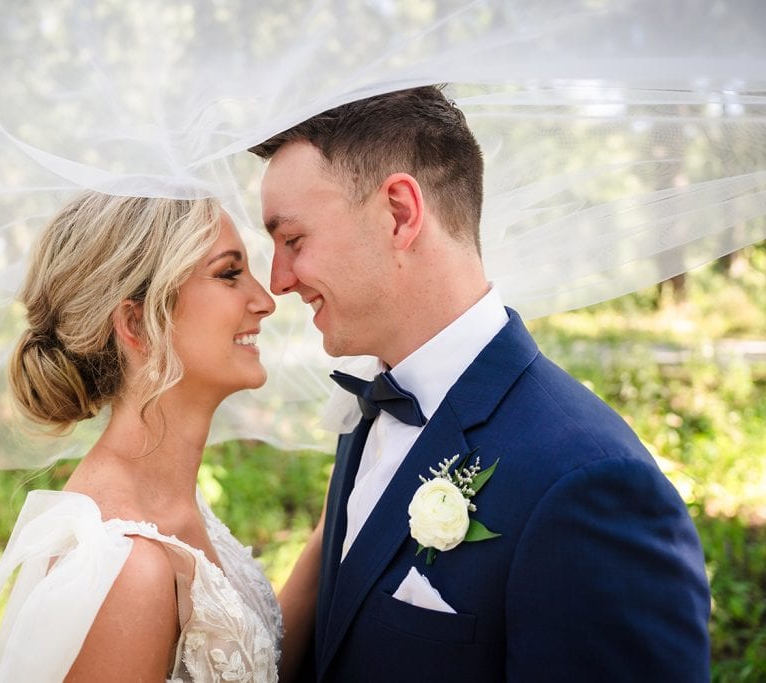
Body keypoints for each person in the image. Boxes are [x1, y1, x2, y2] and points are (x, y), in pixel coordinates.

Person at [249, 85, 712, 682]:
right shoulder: (370, 406)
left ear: (399, 213)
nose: (279, 281)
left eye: (293, 241)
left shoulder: (589, 482)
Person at [0, 191, 308, 681]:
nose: (265, 301)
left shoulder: (172, 501)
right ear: (137, 323)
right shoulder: (129, 568)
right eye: (228, 274)